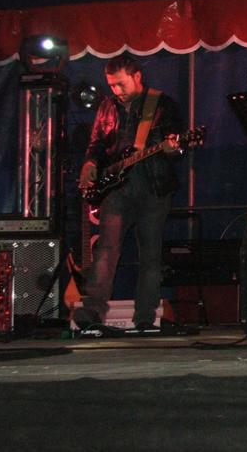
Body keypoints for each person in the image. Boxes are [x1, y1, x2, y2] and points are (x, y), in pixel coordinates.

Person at [74, 55, 183, 331]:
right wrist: (89, 163)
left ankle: (145, 316)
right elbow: (97, 143)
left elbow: (176, 144)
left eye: (121, 84)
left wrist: (173, 148)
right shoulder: (107, 106)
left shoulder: (162, 104)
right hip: (116, 190)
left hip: (153, 187)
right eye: (111, 85)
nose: (116, 90)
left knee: (150, 254)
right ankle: (92, 311)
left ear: (137, 77)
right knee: (105, 251)